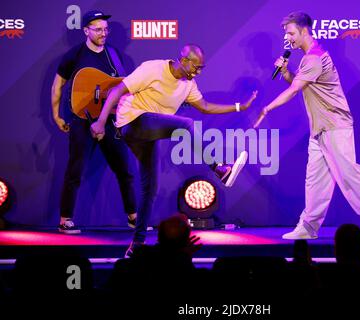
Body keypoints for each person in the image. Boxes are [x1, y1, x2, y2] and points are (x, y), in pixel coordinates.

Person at [90, 44, 257, 256]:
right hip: (132, 122)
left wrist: (238, 107)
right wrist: (101, 121)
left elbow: (204, 106)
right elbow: (117, 91)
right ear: (184, 60)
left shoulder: (188, 84)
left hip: (148, 132)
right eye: (195, 67)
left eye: (201, 68)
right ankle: (218, 169)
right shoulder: (153, 69)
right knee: (186, 124)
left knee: (150, 187)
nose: (197, 72)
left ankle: (137, 245)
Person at [254, 11, 360, 240]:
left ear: (304, 30)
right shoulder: (309, 58)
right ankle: (308, 227)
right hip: (320, 128)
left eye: (291, 33)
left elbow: (294, 90)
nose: (288, 39)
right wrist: (287, 72)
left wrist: (267, 108)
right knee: (315, 179)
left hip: (335, 125)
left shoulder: (314, 58)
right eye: (286, 34)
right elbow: (302, 84)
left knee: (349, 174)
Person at [51, 10, 137, 234]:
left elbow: (120, 88)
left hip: (108, 121)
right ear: (86, 31)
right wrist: (56, 115)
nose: (103, 33)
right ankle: (65, 219)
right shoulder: (74, 55)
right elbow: (57, 85)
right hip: (81, 120)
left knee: (124, 170)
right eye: (98, 29)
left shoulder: (114, 55)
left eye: (106, 29)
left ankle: (133, 217)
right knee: (75, 171)